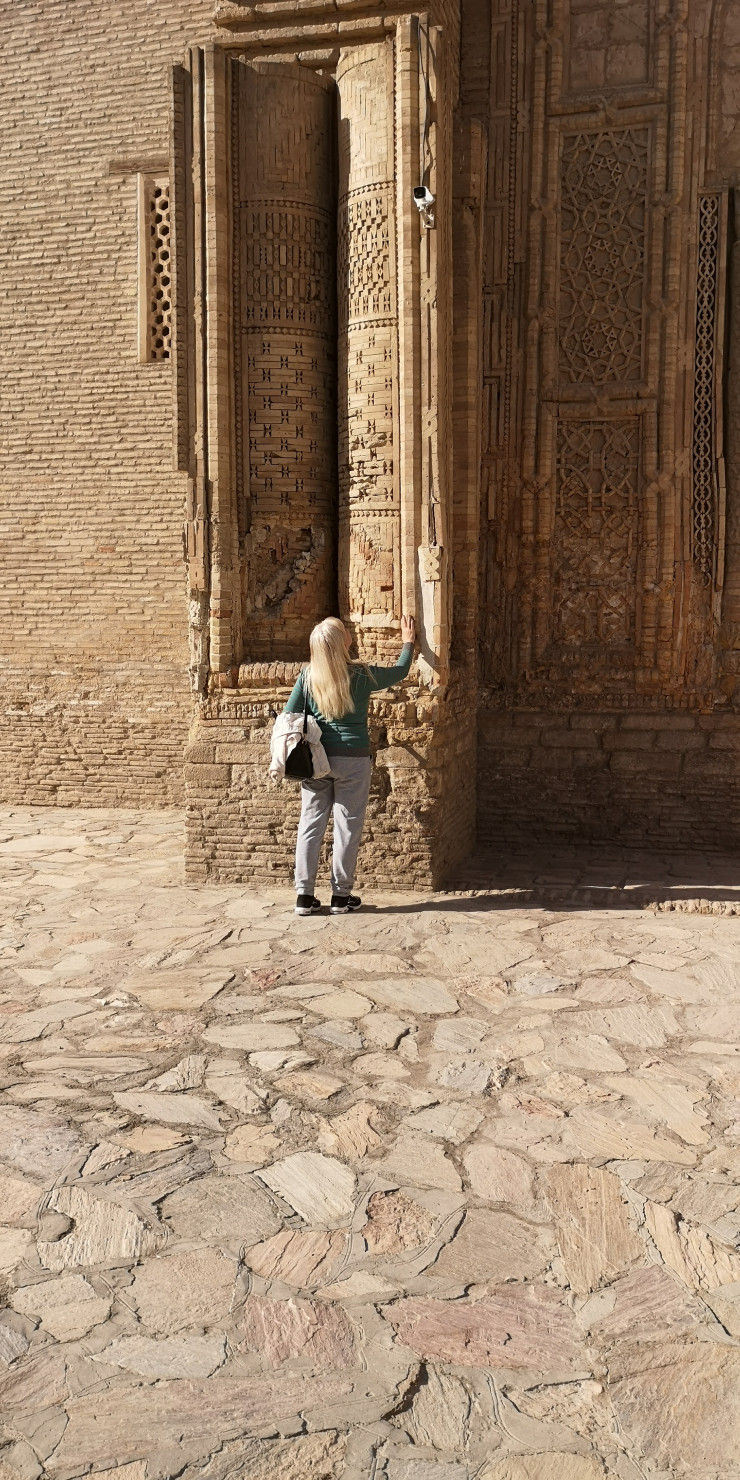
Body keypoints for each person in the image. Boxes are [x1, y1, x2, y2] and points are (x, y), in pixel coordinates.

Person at [285, 613, 416, 914]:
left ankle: (304, 896)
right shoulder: (361, 674)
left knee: (310, 825)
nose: (349, 633)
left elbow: (289, 714)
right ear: (341, 642)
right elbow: (400, 671)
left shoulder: (307, 676)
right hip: (353, 760)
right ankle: (340, 897)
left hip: (316, 760)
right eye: (344, 631)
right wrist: (408, 642)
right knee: (347, 827)